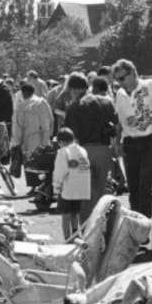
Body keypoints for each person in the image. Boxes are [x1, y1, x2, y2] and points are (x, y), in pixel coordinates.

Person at [63, 75, 118, 222]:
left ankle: (85, 225)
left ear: (74, 90)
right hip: (103, 151)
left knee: (83, 192)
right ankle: (98, 225)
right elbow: (116, 126)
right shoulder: (107, 102)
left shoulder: (73, 108)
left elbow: (69, 136)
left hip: (83, 151)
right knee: (99, 192)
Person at [112, 58, 152, 217]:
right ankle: (134, 223)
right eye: (117, 79)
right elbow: (119, 120)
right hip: (129, 143)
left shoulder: (151, 86)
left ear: (133, 73)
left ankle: (145, 223)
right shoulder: (119, 94)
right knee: (133, 187)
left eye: (122, 78)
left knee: (146, 186)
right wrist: (117, 142)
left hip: (149, 141)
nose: (120, 83)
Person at [52, 127, 91, 239]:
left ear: (61, 142)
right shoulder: (82, 150)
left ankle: (67, 239)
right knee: (75, 214)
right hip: (81, 189)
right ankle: (76, 235)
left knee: (65, 216)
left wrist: (56, 187)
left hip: (68, 188)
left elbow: (60, 171)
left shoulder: (63, 152)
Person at [11, 82, 53, 163]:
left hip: (27, 142)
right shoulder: (43, 102)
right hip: (44, 139)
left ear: (22, 93)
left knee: (30, 167)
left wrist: (16, 143)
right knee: (44, 166)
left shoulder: (21, 107)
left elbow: (17, 128)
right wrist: (48, 136)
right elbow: (51, 120)